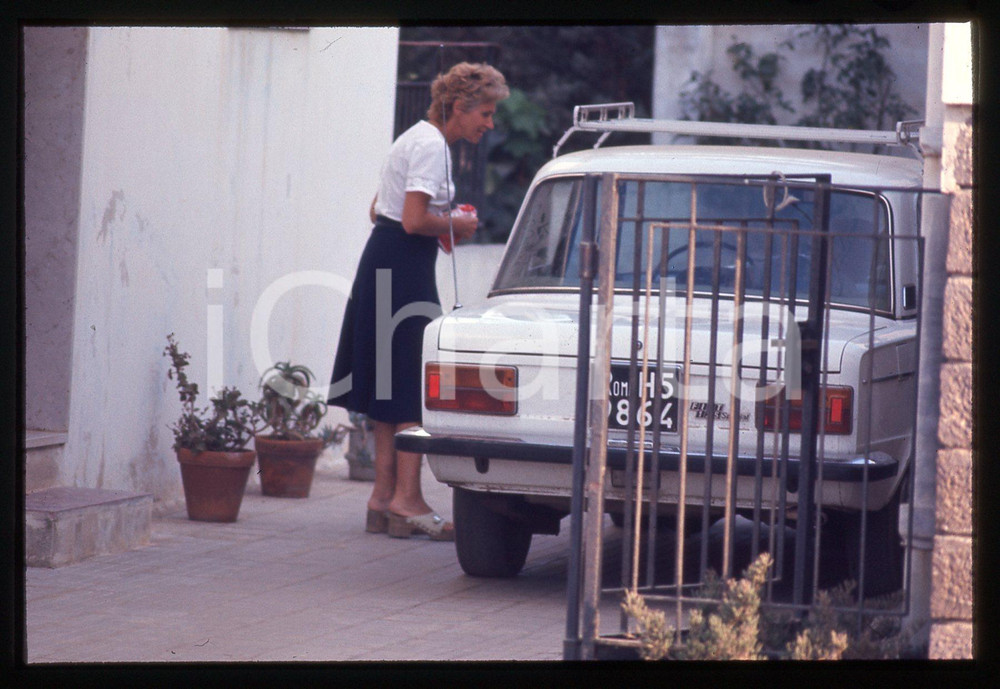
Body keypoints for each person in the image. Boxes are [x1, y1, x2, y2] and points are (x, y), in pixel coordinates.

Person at [328, 63, 509, 541]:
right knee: (412, 380)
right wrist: (458, 225)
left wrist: (438, 220)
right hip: (404, 263)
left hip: (384, 258)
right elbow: (412, 220)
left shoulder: (413, 137)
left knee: (391, 382)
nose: (489, 124)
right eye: (485, 114)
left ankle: (383, 498)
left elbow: (380, 210)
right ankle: (408, 500)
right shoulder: (433, 146)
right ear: (459, 108)